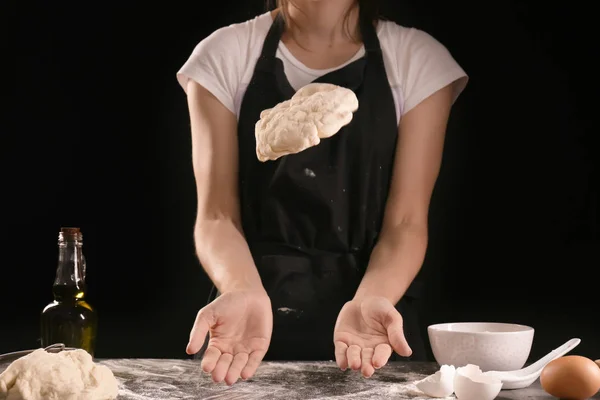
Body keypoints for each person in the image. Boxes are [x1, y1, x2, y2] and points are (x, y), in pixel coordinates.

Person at [176, 0, 468, 386]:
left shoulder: (416, 60)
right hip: (247, 328)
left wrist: (371, 299)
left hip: (372, 330)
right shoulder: (225, 54)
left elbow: (406, 222)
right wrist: (239, 288)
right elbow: (217, 217)